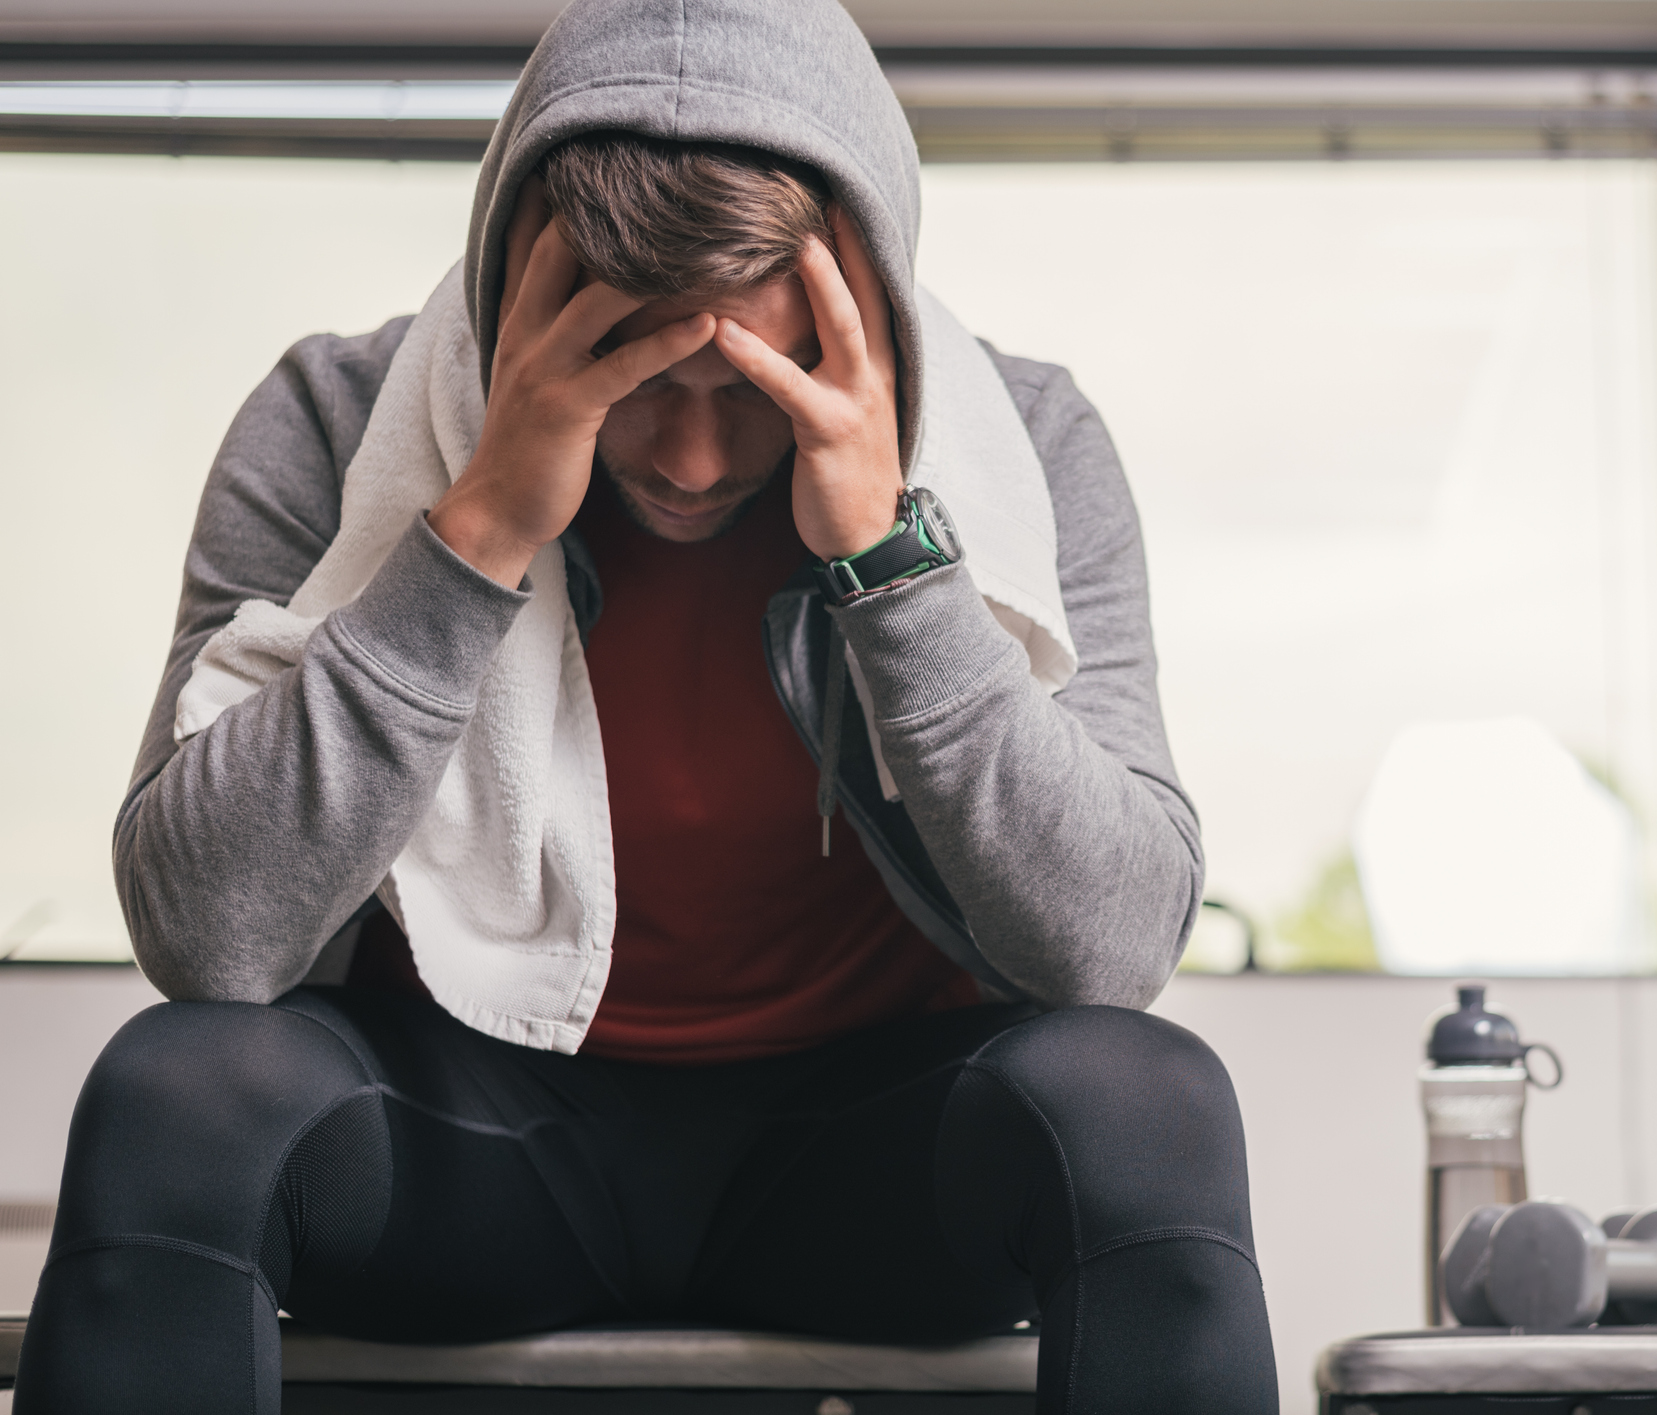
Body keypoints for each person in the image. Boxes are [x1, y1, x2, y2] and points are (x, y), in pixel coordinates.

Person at [12, 1, 1279, 1412]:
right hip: (467, 1144)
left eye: (756, 387)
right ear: (517, 308)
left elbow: (1111, 946)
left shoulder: (1025, 448)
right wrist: (477, 529)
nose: (687, 456)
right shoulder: (334, 417)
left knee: (1145, 1102)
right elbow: (206, 939)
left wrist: (892, 560)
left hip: (868, 1156)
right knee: (176, 1093)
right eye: (631, 378)